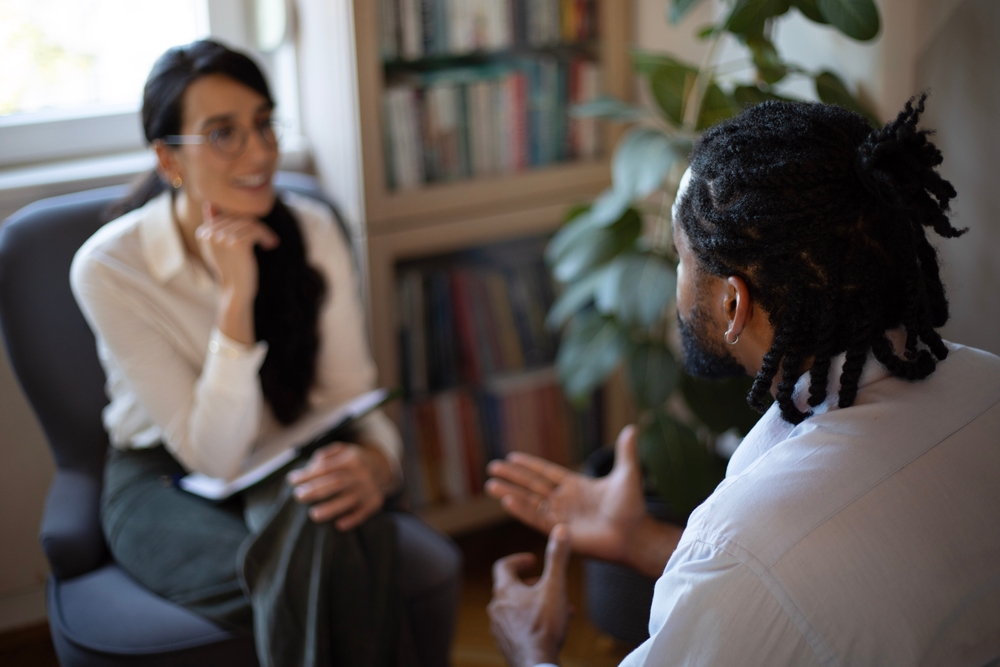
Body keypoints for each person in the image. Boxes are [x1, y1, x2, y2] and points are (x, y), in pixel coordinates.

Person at [484, 97, 1000, 666]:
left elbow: (765, 579)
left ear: (734, 303)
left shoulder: (744, 549)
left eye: (682, 257)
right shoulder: (987, 382)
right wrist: (640, 541)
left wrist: (531, 651)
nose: (675, 280)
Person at [70, 40, 460, 667]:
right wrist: (236, 303)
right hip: (161, 476)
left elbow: (347, 398)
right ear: (168, 157)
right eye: (223, 133)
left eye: (262, 124)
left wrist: (377, 463)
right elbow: (215, 457)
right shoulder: (110, 267)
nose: (259, 153)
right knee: (333, 556)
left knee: (325, 531)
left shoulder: (310, 229)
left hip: (288, 451)